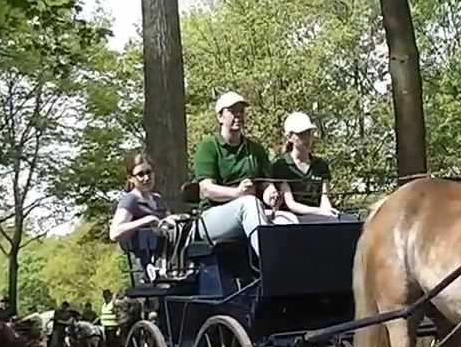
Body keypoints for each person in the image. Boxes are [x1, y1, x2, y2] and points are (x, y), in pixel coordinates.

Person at [191, 91, 272, 255]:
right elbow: (207, 189)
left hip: (251, 211)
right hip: (211, 217)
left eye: (241, 111)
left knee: (288, 221)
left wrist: (271, 195)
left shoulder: (255, 150)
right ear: (220, 117)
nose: (239, 115)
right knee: (249, 204)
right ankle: (271, 266)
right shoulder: (208, 146)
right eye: (233, 111)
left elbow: (265, 184)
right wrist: (238, 193)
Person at [109, 152, 186, 283]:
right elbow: (114, 233)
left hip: (168, 258)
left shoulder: (157, 199)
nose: (146, 178)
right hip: (145, 266)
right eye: (140, 174)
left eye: (149, 172)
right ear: (131, 178)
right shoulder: (130, 200)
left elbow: (168, 224)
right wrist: (147, 219)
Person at [269, 111, 346, 222]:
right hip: (294, 218)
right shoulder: (281, 166)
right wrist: (319, 211)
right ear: (290, 137)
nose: (307, 138)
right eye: (301, 134)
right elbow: (291, 204)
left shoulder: (321, 165)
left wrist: (328, 211)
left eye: (309, 133)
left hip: (321, 214)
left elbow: (324, 198)